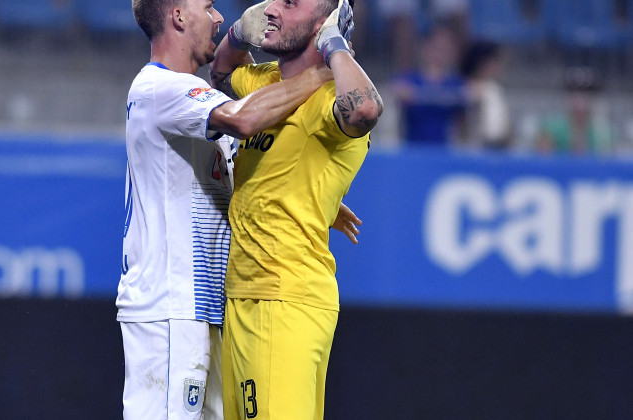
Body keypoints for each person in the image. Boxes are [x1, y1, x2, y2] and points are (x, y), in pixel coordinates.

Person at [117, 1, 354, 419]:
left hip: (206, 306)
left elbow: (228, 176)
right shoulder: (159, 88)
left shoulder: (196, 101)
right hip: (169, 307)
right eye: (207, 7)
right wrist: (322, 70)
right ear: (178, 17)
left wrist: (318, 200)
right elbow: (245, 119)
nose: (219, 18)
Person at [210, 0, 382, 418]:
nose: (272, 8)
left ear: (325, 22)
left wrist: (334, 45)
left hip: (283, 300)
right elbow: (218, 73)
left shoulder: (328, 100)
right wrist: (237, 33)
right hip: (247, 298)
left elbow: (364, 109)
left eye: (290, 3)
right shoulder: (269, 83)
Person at [391, 25, 468, 146]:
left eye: (445, 49)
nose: (440, 53)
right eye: (436, 48)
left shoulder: (456, 83)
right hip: (411, 148)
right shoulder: (409, 79)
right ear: (425, 47)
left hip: (445, 150)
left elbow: (465, 111)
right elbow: (397, 92)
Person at [459, 39, 511, 150]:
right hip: (472, 148)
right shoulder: (465, 88)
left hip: (497, 147)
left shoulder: (495, 89)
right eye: (495, 62)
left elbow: (502, 126)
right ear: (481, 63)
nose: (499, 67)